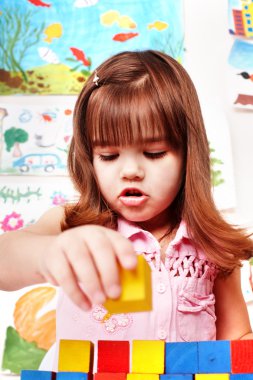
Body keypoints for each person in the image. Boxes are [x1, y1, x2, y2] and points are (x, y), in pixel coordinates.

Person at [0, 50, 253, 371]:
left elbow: (234, 343)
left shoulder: (211, 244)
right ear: (90, 158)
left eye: (153, 152)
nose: (130, 170)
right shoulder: (73, 225)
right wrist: (47, 254)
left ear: (188, 154)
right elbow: (4, 259)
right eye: (108, 155)